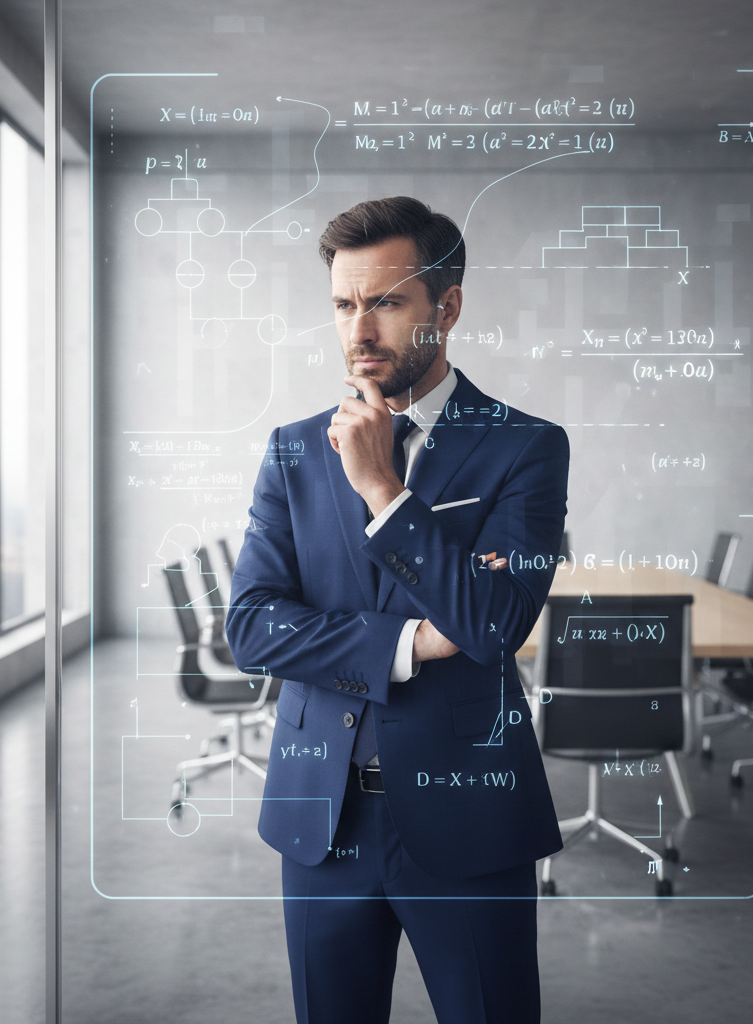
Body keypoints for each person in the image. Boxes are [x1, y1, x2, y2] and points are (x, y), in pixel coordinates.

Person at [226, 196, 569, 1024]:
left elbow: (492, 625)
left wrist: (383, 486)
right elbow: (251, 625)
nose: (359, 329)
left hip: (468, 818)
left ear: (445, 307)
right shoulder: (293, 450)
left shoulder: (525, 447)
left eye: (385, 302)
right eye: (345, 304)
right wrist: (410, 641)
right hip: (322, 819)